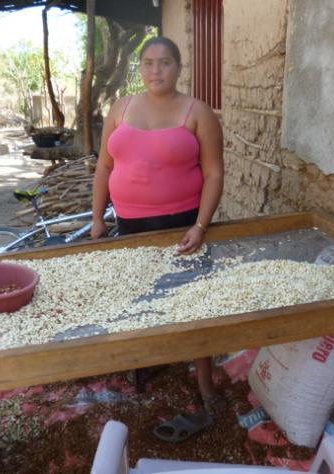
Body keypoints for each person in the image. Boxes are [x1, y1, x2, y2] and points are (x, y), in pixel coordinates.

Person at [91, 36, 225, 415]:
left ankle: (204, 382)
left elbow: (214, 174)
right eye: (148, 63)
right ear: (140, 68)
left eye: (165, 62)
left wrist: (201, 225)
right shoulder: (121, 108)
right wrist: (98, 218)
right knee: (138, 298)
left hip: (182, 225)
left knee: (192, 304)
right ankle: (144, 364)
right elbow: (104, 166)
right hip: (129, 224)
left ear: (179, 68)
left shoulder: (197, 113)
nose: (156, 70)